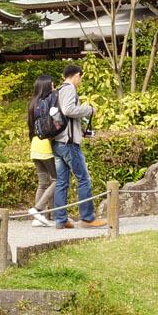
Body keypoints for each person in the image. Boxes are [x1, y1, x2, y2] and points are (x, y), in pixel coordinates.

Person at [51, 62, 101, 228]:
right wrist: (88, 110)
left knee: (61, 182)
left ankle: (61, 219)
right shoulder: (70, 89)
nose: (80, 81)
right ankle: (87, 218)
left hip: (57, 141)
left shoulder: (58, 90)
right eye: (80, 77)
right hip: (69, 143)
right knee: (84, 179)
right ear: (77, 75)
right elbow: (68, 110)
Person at [25, 75, 59, 226]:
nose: (54, 87)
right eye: (52, 85)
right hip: (45, 146)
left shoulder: (33, 104)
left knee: (43, 183)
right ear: (47, 87)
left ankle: (40, 218)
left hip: (34, 146)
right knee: (58, 180)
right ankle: (38, 210)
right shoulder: (47, 103)